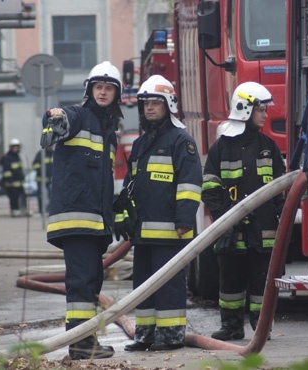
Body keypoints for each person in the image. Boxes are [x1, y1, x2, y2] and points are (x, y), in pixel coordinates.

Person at [40, 61, 124, 360]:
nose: (103, 92)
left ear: (117, 94)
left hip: (95, 223)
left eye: (109, 88)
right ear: (89, 89)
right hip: (76, 219)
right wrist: (54, 116)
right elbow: (59, 115)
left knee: (91, 282)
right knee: (81, 282)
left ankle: (85, 338)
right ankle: (79, 344)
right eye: (99, 87)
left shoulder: (109, 131)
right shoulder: (78, 115)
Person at [116, 75, 202, 352]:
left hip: (170, 231)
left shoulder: (181, 142)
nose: (149, 108)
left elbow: (189, 186)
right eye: (146, 104)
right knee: (143, 284)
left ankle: (172, 335)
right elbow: (131, 183)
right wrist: (123, 212)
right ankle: (146, 335)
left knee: (169, 286)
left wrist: (184, 221)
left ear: (169, 105)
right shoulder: (141, 144)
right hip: (142, 232)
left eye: (155, 103)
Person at [201, 82, 285, 341]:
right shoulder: (221, 148)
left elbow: (281, 189)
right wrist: (223, 221)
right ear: (244, 109)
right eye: (260, 109)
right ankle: (231, 327)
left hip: (263, 229)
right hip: (230, 230)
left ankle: (261, 327)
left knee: (262, 282)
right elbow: (210, 189)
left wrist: (281, 220)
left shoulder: (268, 146)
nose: (265, 114)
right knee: (230, 281)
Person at [0, 138, 27, 217]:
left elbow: (19, 169)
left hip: (19, 182)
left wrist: (22, 178)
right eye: (14, 147)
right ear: (11, 148)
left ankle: (22, 210)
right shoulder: (8, 157)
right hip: (11, 183)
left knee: (22, 196)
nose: (16, 148)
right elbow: (6, 171)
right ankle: (14, 211)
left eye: (17, 147)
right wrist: (10, 181)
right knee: (13, 198)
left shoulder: (17, 157)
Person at [32, 145, 54, 213]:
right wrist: (42, 172)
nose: (51, 146)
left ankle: (49, 209)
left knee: (52, 195)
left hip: (51, 179)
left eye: (52, 145)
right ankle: (41, 210)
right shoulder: (41, 154)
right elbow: (35, 165)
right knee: (41, 196)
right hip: (41, 179)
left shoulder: (54, 153)